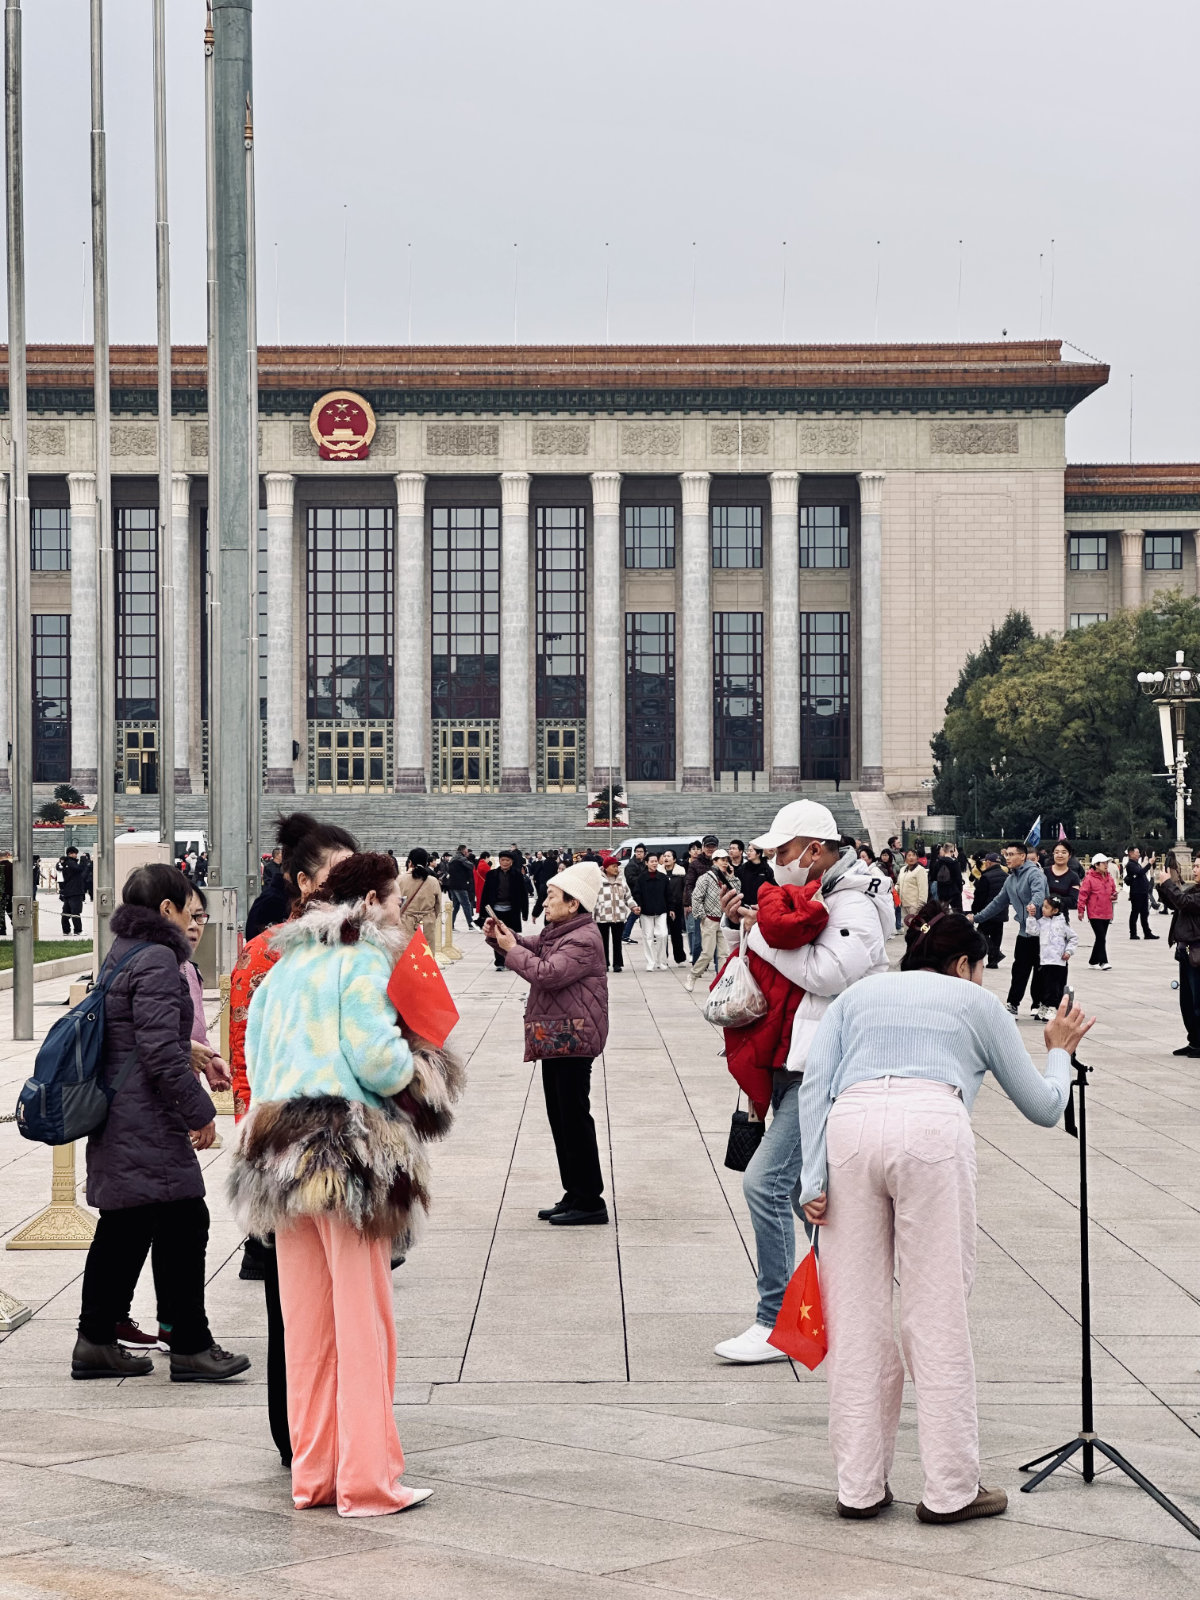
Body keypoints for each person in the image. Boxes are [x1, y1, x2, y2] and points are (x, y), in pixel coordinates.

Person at [798, 904, 1092, 1522]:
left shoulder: (860, 995)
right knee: (936, 1311)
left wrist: (811, 1176)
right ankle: (951, 1488)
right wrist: (1059, 1051)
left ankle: (859, 1487)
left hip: (848, 1127)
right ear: (963, 964)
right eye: (980, 968)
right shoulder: (976, 1004)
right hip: (931, 1125)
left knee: (854, 1314)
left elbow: (815, 1081)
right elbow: (1043, 1108)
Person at [235, 852, 460, 1518]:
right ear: (370, 901)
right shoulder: (359, 959)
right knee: (364, 1321)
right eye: (394, 902)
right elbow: (375, 1059)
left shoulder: (283, 967)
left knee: (306, 1328)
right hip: (344, 1151)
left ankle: (314, 1475)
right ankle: (368, 1480)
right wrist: (416, 1063)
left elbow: (252, 1056)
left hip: (276, 1152)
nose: (401, 913)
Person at [711, 800, 892, 1365]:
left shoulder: (854, 900)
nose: (775, 863)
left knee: (765, 1184)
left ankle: (775, 1321)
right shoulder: (823, 893)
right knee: (801, 1193)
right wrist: (749, 924)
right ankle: (836, 1300)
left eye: (783, 852)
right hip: (797, 1057)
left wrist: (761, 935)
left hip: (825, 1066)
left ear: (816, 848)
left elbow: (827, 972)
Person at [73, 863, 249, 1383]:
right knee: (177, 1222)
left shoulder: (125, 950)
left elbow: (138, 1033)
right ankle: (187, 1345)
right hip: (144, 1117)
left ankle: (100, 1339)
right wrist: (200, 1114)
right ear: (167, 909)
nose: (193, 921)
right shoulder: (156, 958)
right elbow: (155, 1051)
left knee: (135, 1225)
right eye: (187, 909)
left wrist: (193, 1051)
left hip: (126, 1113)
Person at [228, 812, 357, 1460]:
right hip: (306, 1145)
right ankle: (310, 1433)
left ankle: (312, 1434)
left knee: (316, 1303)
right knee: (309, 1303)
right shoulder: (280, 955)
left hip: (313, 1146)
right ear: (301, 881)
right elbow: (248, 1056)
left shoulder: (337, 950)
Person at [487, 860, 609, 1226]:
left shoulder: (583, 938)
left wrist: (511, 950)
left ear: (573, 904)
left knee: (574, 1118)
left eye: (552, 897)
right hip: (557, 1034)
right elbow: (532, 946)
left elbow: (548, 973)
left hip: (574, 1036)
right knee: (561, 1118)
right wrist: (501, 938)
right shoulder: (560, 931)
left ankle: (590, 1200)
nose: (545, 902)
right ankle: (574, 1193)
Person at [972, 842, 1047, 1015]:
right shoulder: (1011, 880)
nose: (1007, 858)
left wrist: (1033, 906)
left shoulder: (1034, 874)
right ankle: (1013, 1004)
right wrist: (976, 917)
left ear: (1022, 856)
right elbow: (997, 903)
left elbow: (1039, 894)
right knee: (1019, 968)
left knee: (1040, 969)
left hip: (1042, 930)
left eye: (1011, 854)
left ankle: (1038, 1004)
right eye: (1006, 855)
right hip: (1024, 931)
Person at [1158, 856, 1200, 1056]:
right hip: (1185, 951)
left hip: (1197, 952)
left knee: (1197, 1000)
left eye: (1198, 866)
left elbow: (1183, 902)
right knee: (1187, 1001)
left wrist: (1168, 883)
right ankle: (1194, 1041)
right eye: (1195, 865)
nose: (1195, 869)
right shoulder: (1194, 890)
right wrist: (1163, 887)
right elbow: (1177, 903)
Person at [684, 848, 730, 991]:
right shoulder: (705, 877)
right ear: (714, 861)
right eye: (722, 860)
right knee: (708, 953)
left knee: (723, 954)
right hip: (710, 919)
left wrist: (732, 877)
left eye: (726, 860)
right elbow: (696, 897)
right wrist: (701, 915)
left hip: (723, 920)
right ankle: (693, 975)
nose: (725, 863)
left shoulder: (728, 877)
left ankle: (721, 981)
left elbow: (737, 891)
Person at [1027, 893, 1077, 1020]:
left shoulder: (1062, 923)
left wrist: (1069, 951)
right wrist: (1031, 917)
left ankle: (1053, 1007)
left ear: (1055, 910)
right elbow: (1033, 931)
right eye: (1043, 906)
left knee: (1054, 986)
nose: (1043, 909)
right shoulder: (1042, 922)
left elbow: (1073, 938)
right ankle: (1044, 1006)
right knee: (1044, 984)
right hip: (1044, 960)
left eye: (1046, 907)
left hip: (1058, 961)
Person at [480, 849, 529, 969]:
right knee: (496, 936)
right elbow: (485, 894)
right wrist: (482, 912)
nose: (505, 862)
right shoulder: (491, 875)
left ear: (511, 862)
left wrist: (525, 912)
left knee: (511, 936)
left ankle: (510, 961)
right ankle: (499, 962)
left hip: (512, 910)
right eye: (502, 860)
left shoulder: (517, 875)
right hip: (496, 910)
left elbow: (523, 894)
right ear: (499, 861)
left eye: (507, 860)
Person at [594, 854, 636, 972]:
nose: (616, 868)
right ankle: (604, 964)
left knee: (617, 941)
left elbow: (628, 897)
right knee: (603, 942)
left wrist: (633, 907)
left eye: (617, 866)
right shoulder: (598, 882)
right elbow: (592, 899)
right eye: (613, 866)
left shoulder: (621, 881)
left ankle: (617, 964)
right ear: (606, 867)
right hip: (602, 917)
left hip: (619, 916)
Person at [1077, 852, 1117, 970]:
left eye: (1107, 863)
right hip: (1094, 913)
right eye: (1104, 863)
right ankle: (1103, 961)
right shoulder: (1089, 879)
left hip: (1106, 912)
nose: (1106, 865)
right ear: (1096, 865)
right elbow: (1083, 895)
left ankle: (1093, 960)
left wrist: (1114, 895)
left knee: (1101, 937)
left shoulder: (1109, 878)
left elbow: (1113, 890)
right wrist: (1081, 910)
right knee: (1101, 937)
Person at [396, 847, 442, 946]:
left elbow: (395, 904)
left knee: (406, 956)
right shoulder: (433, 881)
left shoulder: (400, 880)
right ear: (426, 862)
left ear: (410, 862)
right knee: (425, 956)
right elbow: (438, 907)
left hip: (406, 922)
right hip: (427, 923)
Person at [635, 851, 670, 971]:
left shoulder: (663, 877)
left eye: (656, 861)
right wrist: (638, 906)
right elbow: (637, 893)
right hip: (646, 911)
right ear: (646, 863)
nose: (654, 863)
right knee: (647, 936)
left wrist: (671, 909)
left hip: (661, 910)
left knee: (662, 934)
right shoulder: (641, 878)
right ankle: (650, 962)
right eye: (652, 861)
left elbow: (668, 894)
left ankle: (662, 961)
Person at [973, 852, 1008, 968]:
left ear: (988, 862)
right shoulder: (1006, 876)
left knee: (980, 936)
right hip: (1001, 912)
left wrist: (975, 911)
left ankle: (995, 954)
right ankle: (993, 961)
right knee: (996, 936)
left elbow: (980, 897)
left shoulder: (986, 877)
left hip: (987, 912)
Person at [660, 847, 688, 963]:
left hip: (677, 906)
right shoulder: (659, 872)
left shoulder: (681, 872)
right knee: (662, 933)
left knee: (676, 933)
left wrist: (685, 902)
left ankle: (679, 957)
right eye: (664, 856)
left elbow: (685, 889)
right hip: (662, 906)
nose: (666, 858)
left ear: (674, 859)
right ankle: (663, 957)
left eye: (669, 856)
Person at [1124, 846, 1157, 940]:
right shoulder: (1131, 865)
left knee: (1144, 913)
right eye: (1137, 852)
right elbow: (1140, 872)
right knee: (1135, 913)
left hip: (1142, 892)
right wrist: (1149, 864)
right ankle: (1133, 933)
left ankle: (1147, 933)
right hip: (1136, 892)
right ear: (1130, 853)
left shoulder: (1136, 863)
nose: (1139, 854)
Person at [1045, 841, 1082, 917]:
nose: (1060, 855)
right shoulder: (1043, 872)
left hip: (1061, 919)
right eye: (1057, 852)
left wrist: (1051, 899)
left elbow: (1072, 902)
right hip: (1042, 918)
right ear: (1053, 854)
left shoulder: (1074, 876)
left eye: (1064, 852)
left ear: (1069, 855)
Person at [446, 845, 477, 933]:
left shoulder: (452, 859)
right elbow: (471, 866)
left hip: (452, 885)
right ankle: (471, 925)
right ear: (463, 851)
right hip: (460, 885)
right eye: (467, 851)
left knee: (455, 906)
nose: (468, 852)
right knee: (466, 904)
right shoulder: (462, 859)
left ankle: (450, 925)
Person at [58, 845, 87, 936]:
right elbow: (80, 869)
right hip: (75, 891)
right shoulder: (70, 863)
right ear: (70, 854)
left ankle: (66, 930)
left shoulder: (66, 863)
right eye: (75, 854)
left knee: (66, 912)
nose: (76, 856)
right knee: (76, 911)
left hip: (68, 891)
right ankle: (78, 930)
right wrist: (83, 859)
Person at [622, 844, 648, 946]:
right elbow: (631, 879)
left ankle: (625, 933)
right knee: (635, 913)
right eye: (637, 851)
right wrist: (644, 878)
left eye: (641, 852)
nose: (638, 853)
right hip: (635, 892)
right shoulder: (631, 865)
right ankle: (624, 935)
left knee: (639, 913)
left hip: (643, 892)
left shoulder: (643, 864)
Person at [896, 848, 928, 927]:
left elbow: (923, 889)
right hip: (903, 904)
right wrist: (894, 889)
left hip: (914, 906)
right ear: (905, 858)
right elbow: (898, 884)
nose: (911, 857)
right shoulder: (903, 869)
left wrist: (919, 906)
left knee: (915, 929)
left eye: (913, 855)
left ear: (917, 858)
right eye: (909, 855)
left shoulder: (920, 870)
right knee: (907, 930)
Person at [736, 842, 772, 909]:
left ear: (758, 853)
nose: (748, 853)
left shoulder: (766, 869)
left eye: (751, 851)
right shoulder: (743, 868)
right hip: (746, 906)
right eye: (748, 850)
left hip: (761, 907)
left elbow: (773, 889)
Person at [931, 843, 964, 912]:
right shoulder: (955, 863)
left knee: (942, 913)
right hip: (954, 891)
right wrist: (959, 890)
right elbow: (958, 879)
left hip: (942, 891)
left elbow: (934, 877)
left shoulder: (938, 862)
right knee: (958, 913)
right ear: (952, 851)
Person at [473, 851, 491, 924]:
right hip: (484, 887)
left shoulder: (477, 864)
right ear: (486, 857)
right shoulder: (484, 865)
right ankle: (481, 921)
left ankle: (481, 919)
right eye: (488, 858)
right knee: (485, 904)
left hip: (478, 886)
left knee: (481, 903)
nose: (489, 860)